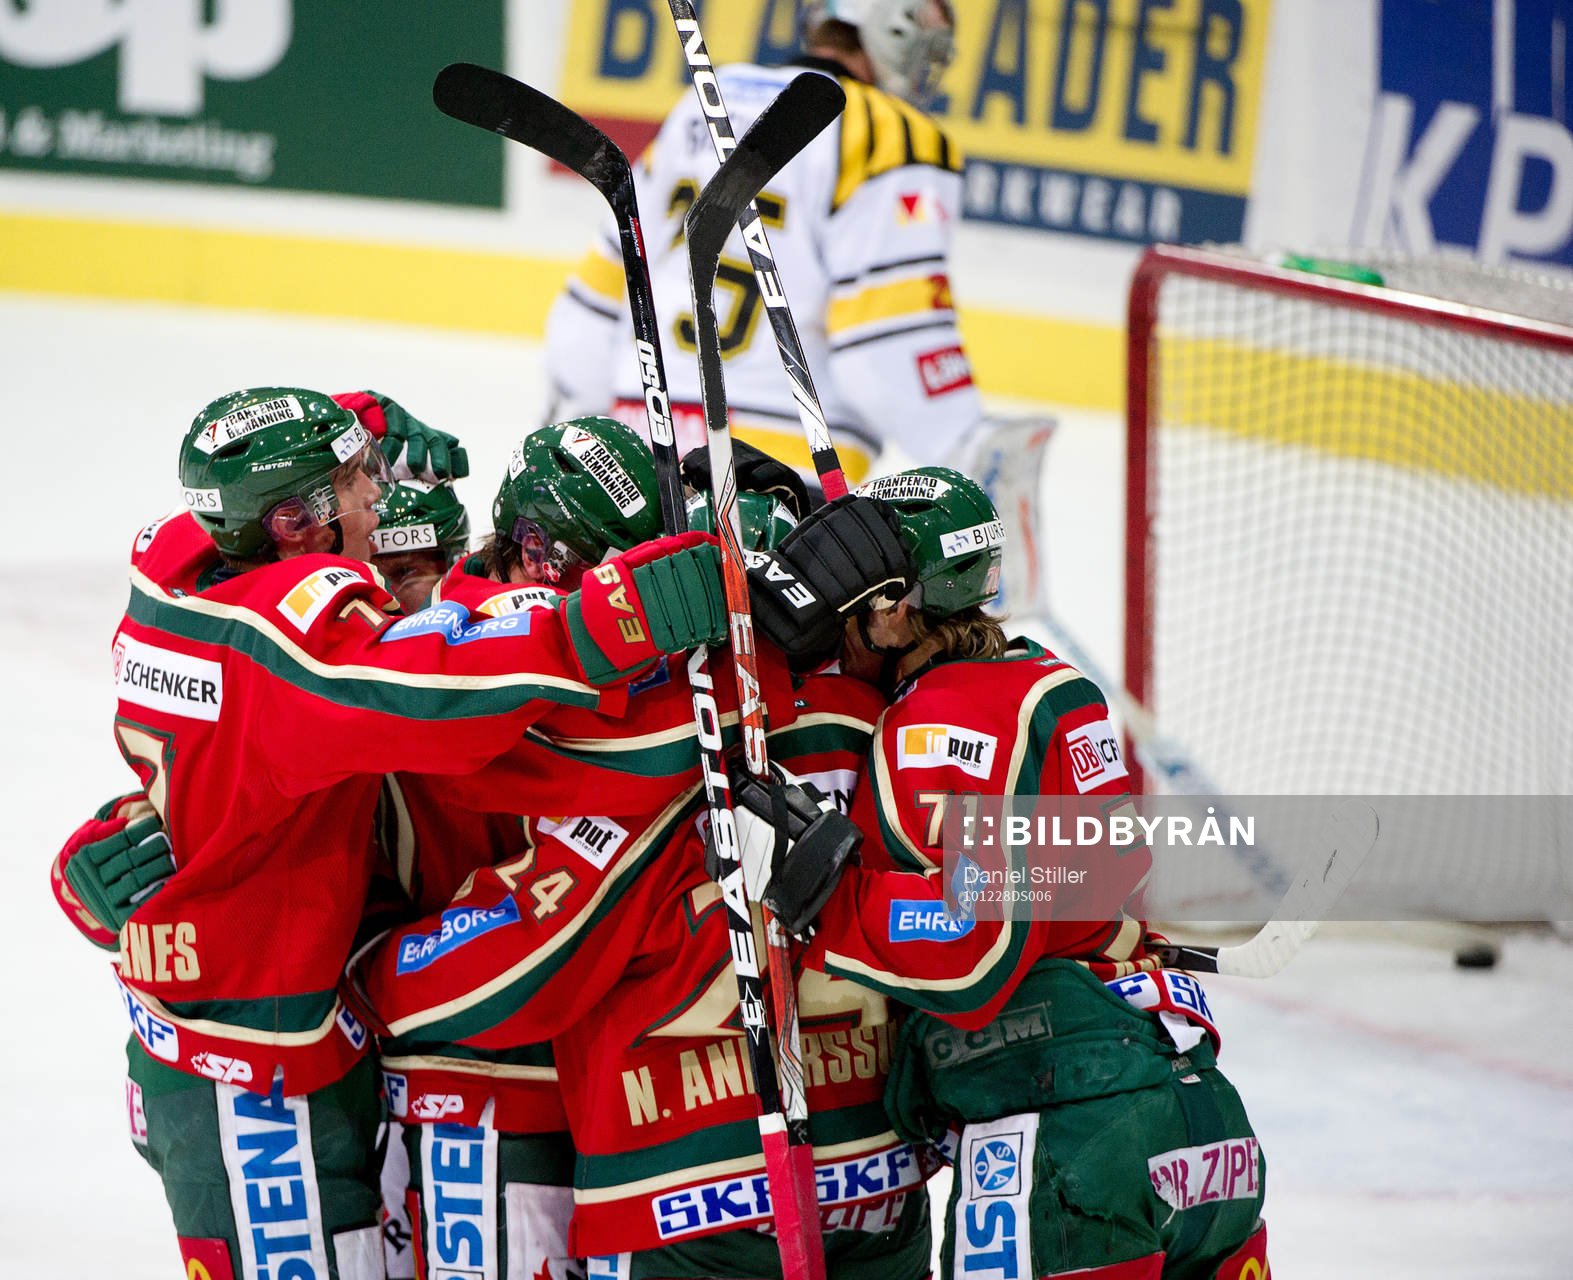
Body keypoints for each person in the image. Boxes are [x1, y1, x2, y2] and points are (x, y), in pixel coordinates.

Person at [86, 387, 727, 1280]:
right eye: (358, 489)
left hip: (680, 1136)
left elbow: (978, 930)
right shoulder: (354, 675)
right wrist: (604, 625)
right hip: (335, 1075)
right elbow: (417, 686)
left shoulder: (175, 564)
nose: (377, 509)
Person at [739, 467, 1271, 1279]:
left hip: (1070, 1135)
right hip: (1199, 1118)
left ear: (893, 606)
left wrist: (830, 896)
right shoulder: (1047, 682)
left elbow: (971, 936)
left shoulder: (938, 720)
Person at [543, 0, 979, 486]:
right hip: (783, 479)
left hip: (643, 460)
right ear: (888, 26)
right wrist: (966, 445)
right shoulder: (889, 134)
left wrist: (582, 428)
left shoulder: (708, 99)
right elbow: (887, 352)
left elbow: (595, 306)